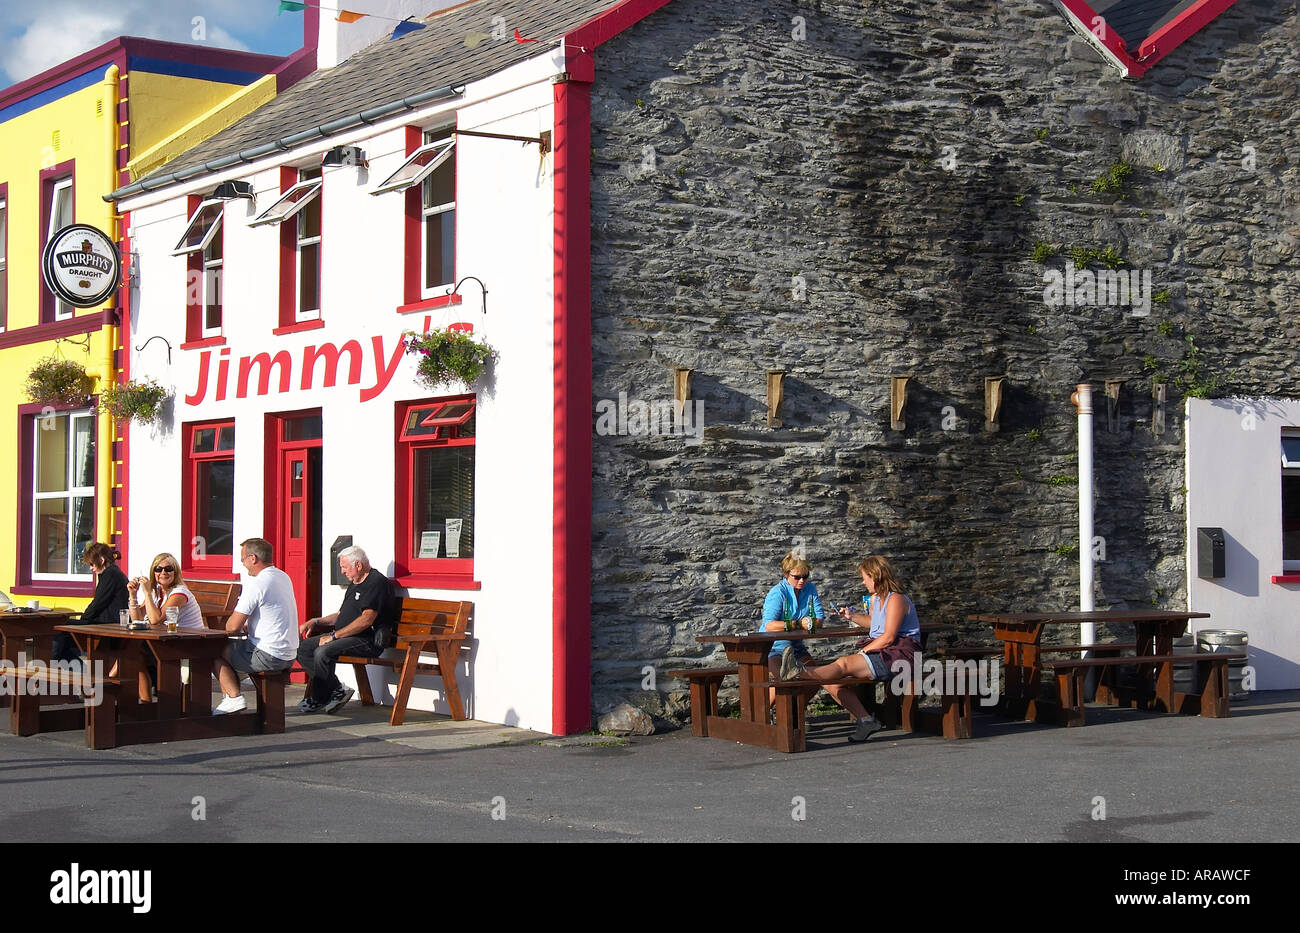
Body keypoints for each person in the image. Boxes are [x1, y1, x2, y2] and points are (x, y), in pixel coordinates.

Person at [780, 555, 923, 743]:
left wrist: (864, 651)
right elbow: (875, 624)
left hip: (900, 655)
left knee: (843, 664)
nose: (863, 582)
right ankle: (866, 720)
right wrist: (851, 616)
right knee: (832, 682)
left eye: (865, 577)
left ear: (876, 576)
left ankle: (800, 672)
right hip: (883, 652)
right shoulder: (876, 599)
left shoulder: (896, 599)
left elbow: (888, 637)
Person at [295, 546, 395, 715]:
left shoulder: (376, 583)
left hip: (366, 639)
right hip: (345, 636)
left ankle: (320, 697)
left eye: (344, 567)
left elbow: (366, 620)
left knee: (323, 651)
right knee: (302, 648)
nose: (342, 571)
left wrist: (334, 636)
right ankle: (336, 689)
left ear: (358, 565)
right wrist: (316, 621)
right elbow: (341, 615)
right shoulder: (355, 583)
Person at [211, 538, 300, 715]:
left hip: (267, 654)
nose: (242, 563)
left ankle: (233, 698)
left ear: (253, 558)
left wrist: (237, 625)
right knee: (233, 651)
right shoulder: (283, 577)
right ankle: (230, 699)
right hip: (289, 653)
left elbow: (232, 626)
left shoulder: (257, 583)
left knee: (212, 650)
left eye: (243, 559)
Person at [760, 551, 827, 712]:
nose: (802, 580)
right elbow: (769, 625)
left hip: (796, 646)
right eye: (797, 577)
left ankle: (793, 714)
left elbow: (819, 620)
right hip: (773, 647)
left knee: (815, 679)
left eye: (805, 576)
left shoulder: (810, 589)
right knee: (783, 680)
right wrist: (798, 624)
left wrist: (810, 622)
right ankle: (760, 718)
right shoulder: (778, 592)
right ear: (785, 574)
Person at [52, 542, 128, 664]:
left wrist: (83, 619)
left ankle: (55, 667)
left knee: (59, 628)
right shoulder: (111, 573)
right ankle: (69, 667)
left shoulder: (110, 574)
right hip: (107, 622)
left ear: (101, 560)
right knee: (63, 632)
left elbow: (98, 603)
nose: (91, 568)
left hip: (107, 624)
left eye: (92, 564)